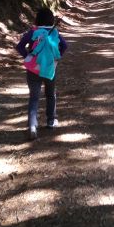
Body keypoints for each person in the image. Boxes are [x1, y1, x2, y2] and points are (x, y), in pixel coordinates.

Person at [16, 7, 68, 140]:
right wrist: (57, 58)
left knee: (34, 97)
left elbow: (20, 46)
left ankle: (32, 126)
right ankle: (51, 121)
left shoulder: (33, 32)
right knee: (51, 94)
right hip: (50, 68)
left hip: (33, 69)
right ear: (51, 20)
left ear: (37, 19)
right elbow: (64, 45)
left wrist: (28, 56)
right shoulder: (54, 32)